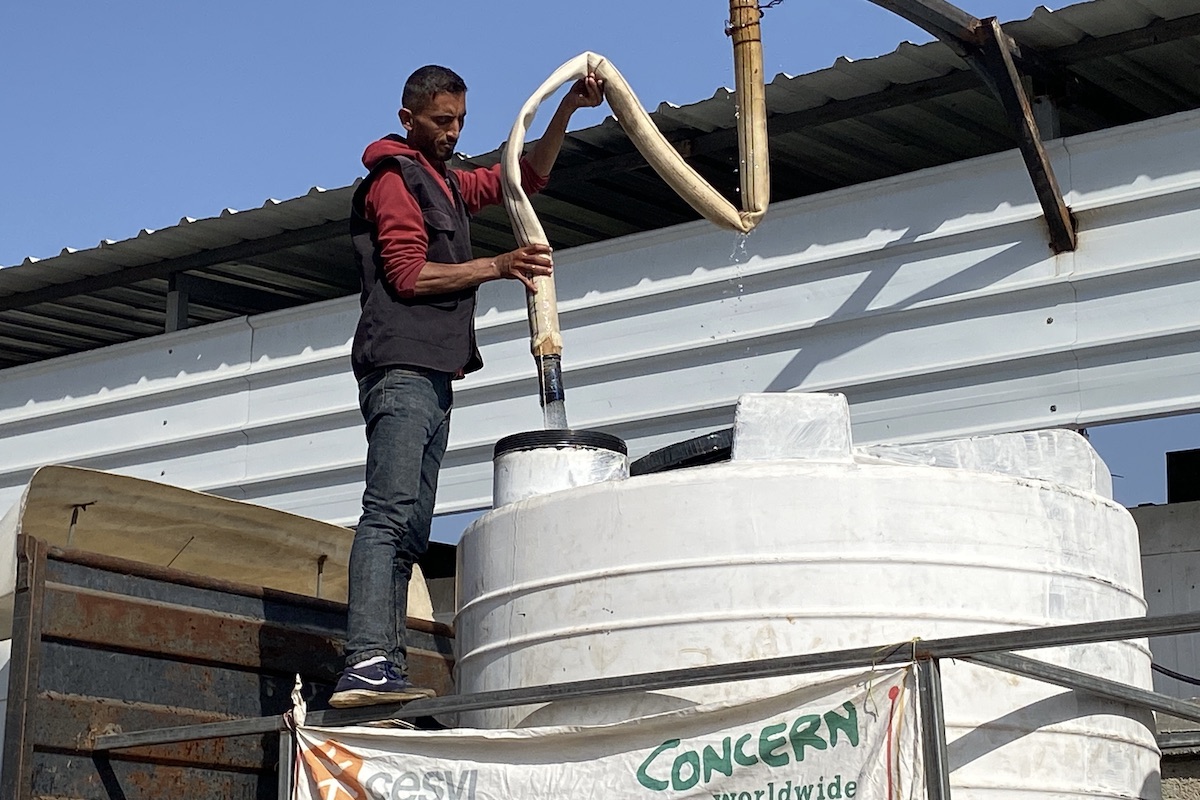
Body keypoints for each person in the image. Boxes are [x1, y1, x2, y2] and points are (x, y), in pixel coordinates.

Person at [331, 65, 604, 708]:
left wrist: (566, 108)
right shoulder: (395, 181)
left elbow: (522, 178)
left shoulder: (445, 181)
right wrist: (499, 265)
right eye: (441, 121)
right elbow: (407, 275)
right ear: (408, 120)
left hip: (432, 374)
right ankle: (365, 659)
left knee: (412, 527)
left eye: (459, 121)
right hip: (400, 369)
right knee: (389, 513)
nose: (453, 132)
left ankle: (383, 668)